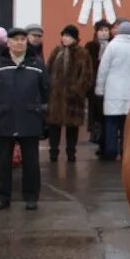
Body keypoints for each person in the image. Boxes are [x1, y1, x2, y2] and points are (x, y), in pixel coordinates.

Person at [0, 24, 47, 210]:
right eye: (15, 40)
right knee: (3, 162)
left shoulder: (37, 64)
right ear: (8, 43)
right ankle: (2, 197)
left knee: (31, 162)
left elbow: (45, 90)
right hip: (4, 118)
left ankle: (31, 196)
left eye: (23, 40)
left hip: (29, 118)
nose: (19, 43)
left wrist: (39, 110)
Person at [95, 20, 130, 161]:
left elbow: (103, 69)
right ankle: (125, 150)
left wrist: (100, 89)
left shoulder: (112, 46)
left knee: (111, 122)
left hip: (113, 89)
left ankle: (111, 151)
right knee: (127, 124)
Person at [45, 24, 95, 162]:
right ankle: (53, 152)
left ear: (75, 38)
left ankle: (71, 153)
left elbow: (87, 75)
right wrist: (49, 88)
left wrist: (78, 90)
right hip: (56, 96)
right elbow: (48, 70)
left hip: (74, 97)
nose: (65, 39)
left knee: (72, 127)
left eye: (68, 36)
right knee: (54, 125)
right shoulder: (57, 51)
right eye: (64, 36)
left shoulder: (82, 53)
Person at [84, 18, 112, 146]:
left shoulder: (113, 45)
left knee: (106, 111)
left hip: (109, 83)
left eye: (106, 30)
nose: (104, 33)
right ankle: (95, 134)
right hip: (94, 82)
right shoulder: (90, 46)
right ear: (96, 32)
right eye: (101, 30)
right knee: (94, 110)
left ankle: (105, 136)